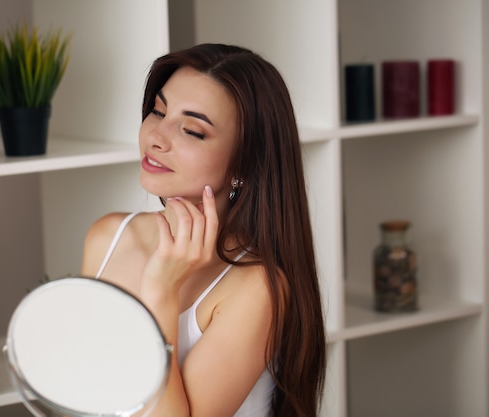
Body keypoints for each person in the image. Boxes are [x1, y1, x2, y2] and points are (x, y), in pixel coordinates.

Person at [81, 43, 326, 417]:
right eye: (158, 111)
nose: (156, 137)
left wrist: (162, 293)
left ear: (245, 164)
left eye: (192, 130)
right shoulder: (109, 236)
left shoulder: (257, 286)